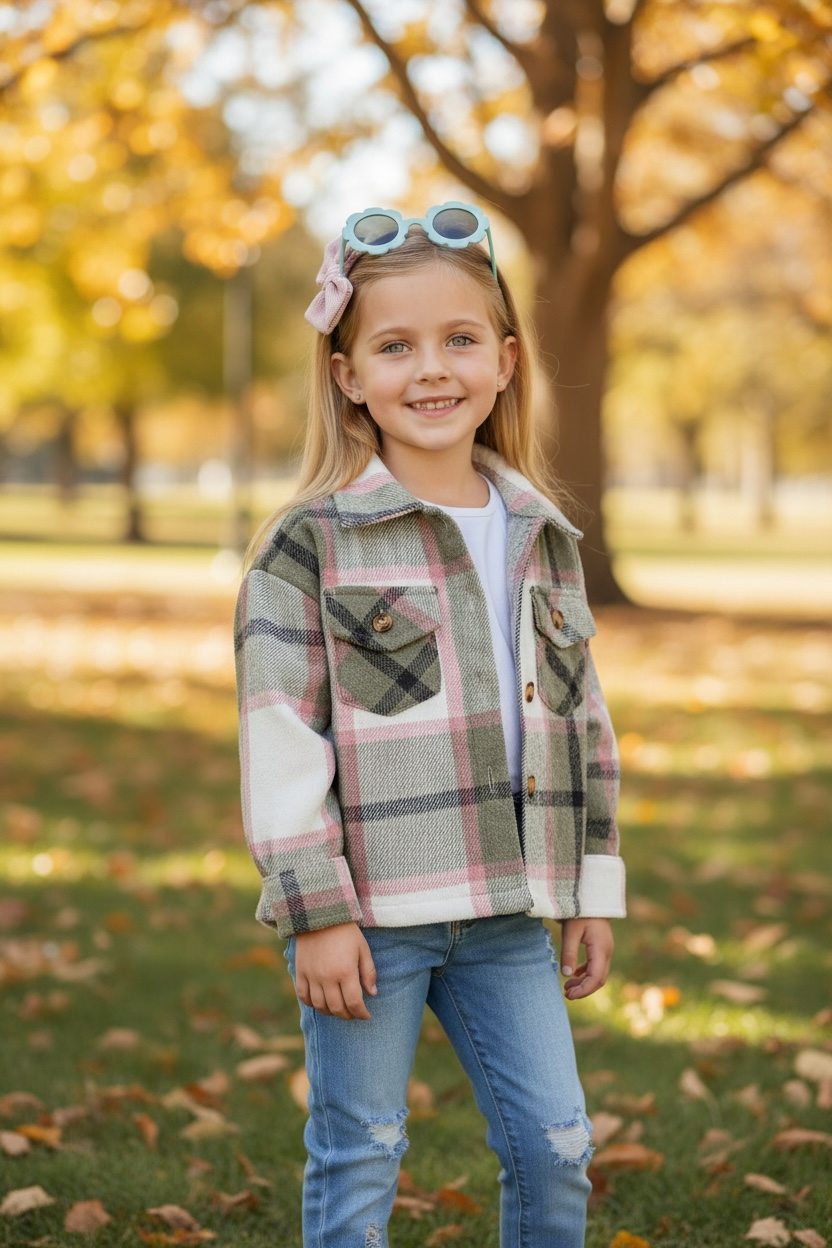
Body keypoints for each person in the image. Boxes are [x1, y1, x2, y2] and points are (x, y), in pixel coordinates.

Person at [234, 202, 626, 1248]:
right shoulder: (308, 546)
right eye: (394, 346)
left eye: (459, 340)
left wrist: (592, 887)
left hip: (507, 914)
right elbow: (280, 738)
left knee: (554, 1145)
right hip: (368, 917)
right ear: (347, 373)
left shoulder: (542, 534)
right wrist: (314, 908)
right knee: (360, 1148)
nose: (431, 370)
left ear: (503, 362)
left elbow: (583, 725)